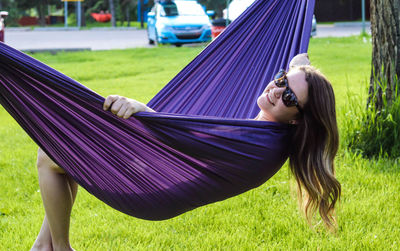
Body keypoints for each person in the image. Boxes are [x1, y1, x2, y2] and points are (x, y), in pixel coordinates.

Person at [31, 54, 341, 251]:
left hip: (154, 188)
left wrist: (143, 111)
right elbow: (297, 66)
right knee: (65, 152)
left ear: (299, 118)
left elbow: (181, 140)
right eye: (280, 80)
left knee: (50, 156)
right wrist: (297, 65)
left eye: (287, 94)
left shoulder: (259, 143)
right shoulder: (275, 130)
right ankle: (43, 244)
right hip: (158, 170)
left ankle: (59, 247)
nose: (275, 90)